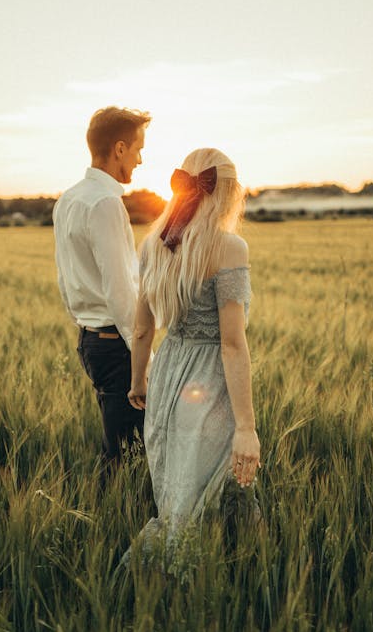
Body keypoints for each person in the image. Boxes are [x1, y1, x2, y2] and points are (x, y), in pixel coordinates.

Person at [127, 148, 261, 552]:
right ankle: (200, 579)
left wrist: (138, 382)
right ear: (227, 194)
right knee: (213, 497)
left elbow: (141, 329)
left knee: (177, 497)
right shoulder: (230, 248)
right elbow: (233, 344)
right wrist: (246, 427)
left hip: (167, 377)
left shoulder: (154, 244)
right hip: (211, 382)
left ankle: (170, 586)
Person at [53, 106, 151, 467]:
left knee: (119, 448)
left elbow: (65, 278)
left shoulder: (68, 199)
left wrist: (85, 325)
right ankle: (118, 517)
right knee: (126, 457)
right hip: (116, 347)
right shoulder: (106, 203)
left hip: (90, 340)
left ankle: (114, 514)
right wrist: (144, 361)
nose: (140, 160)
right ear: (120, 148)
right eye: (138, 149)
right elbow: (122, 291)